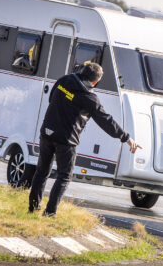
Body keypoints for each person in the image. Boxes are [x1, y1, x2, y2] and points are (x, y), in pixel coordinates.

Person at [28, 62, 141, 217]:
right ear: (96, 81)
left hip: (47, 132)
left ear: (82, 71)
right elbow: (106, 121)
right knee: (64, 176)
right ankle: (50, 213)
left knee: (41, 171)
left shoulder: (63, 80)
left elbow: (51, 99)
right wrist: (126, 138)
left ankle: (33, 208)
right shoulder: (90, 97)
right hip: (66, 140)